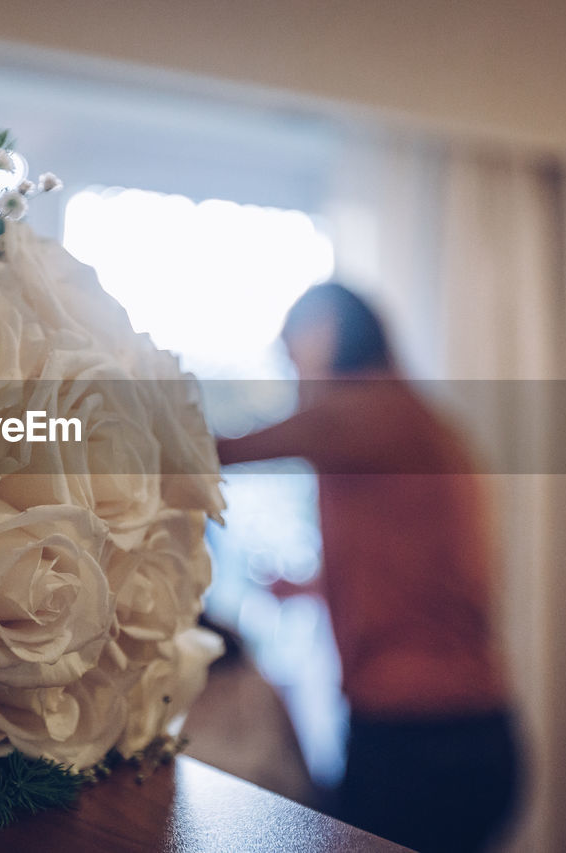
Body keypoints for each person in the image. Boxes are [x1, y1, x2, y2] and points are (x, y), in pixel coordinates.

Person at [216, 283, 520, 852]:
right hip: (468, 727)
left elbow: (223, 450)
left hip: (421, 740)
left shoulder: (366, 409)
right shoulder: (415, 422)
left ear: (329, 329)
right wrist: (309, 586)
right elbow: (419, 570)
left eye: (293, 349)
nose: (293, 373)